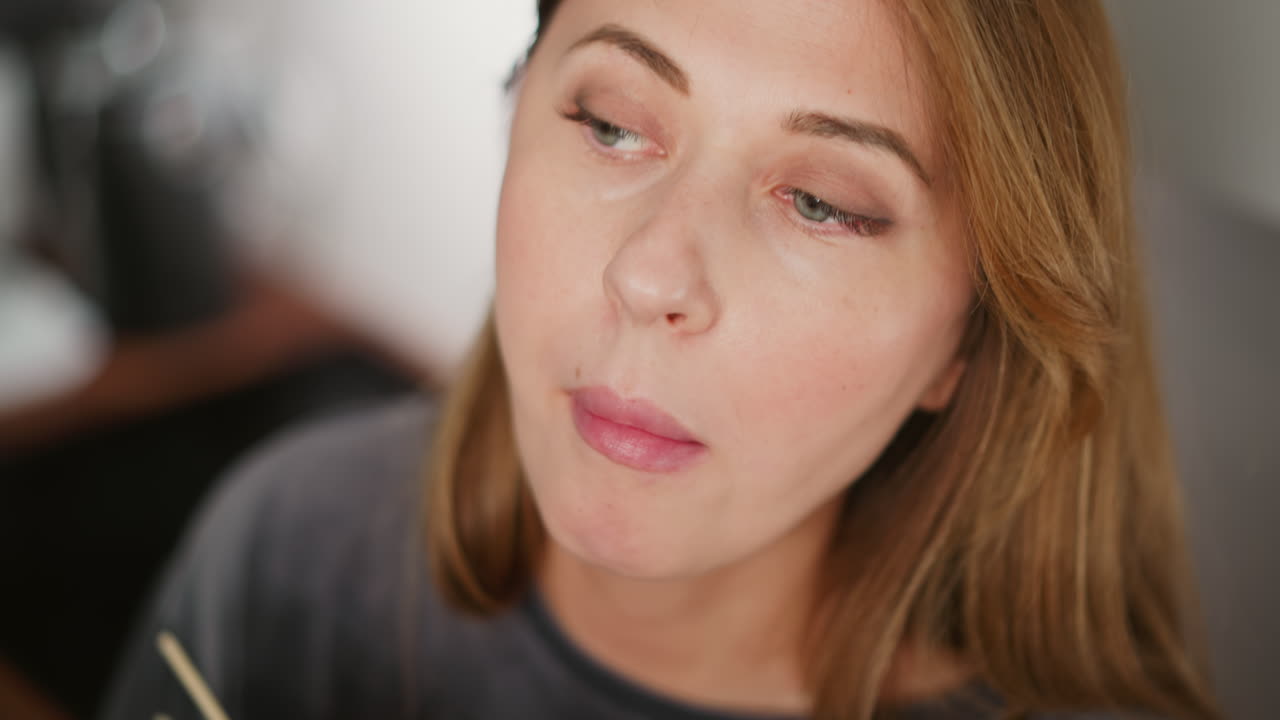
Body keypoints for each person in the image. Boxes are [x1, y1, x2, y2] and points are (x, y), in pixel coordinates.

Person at [99, 0, 1222, 718]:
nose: (649, 274)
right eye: (609, 124)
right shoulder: (289, 545)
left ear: (968, 343)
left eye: (820, 203)